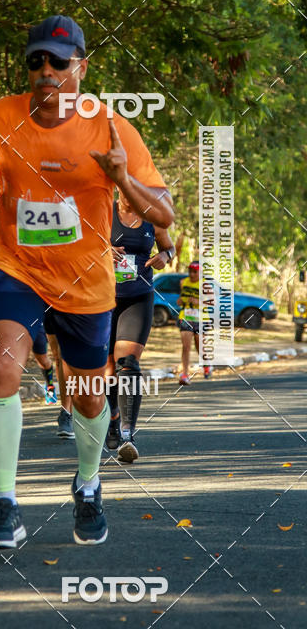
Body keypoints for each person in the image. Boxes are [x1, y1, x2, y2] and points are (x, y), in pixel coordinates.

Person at [0, 14, 174, 550]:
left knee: (89, 398)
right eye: (35, 61)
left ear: (80, 68)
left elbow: (165, 213)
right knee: (3, 364)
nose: (44, 71)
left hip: (85, 280)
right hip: (16, 267)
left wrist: (123, 180)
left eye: (57, 62)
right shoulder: (1, 116)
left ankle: (88, 484)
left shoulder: (111, 127)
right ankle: (4, 505)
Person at [105, 196, 176, 463]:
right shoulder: (102, 210)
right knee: (106, 369)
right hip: (102, 297)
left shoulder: (152, 218)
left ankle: (127, 435)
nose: (128, 194)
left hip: (138, 297)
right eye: (123, 188)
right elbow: (81, 245)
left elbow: (169, 248)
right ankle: (112, 418)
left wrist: (164, 256)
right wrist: (102, 250)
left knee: (128, 364)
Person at [177, 260, 212, 385]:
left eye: (195, 272)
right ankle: (185, 374)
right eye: (190, 271)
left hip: (201, 319)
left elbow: (213, 302)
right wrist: (180, 301)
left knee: (199, 346)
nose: (192, 274)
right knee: (186, 346)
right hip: (186, 316)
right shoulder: (183, 282)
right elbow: (180, 299)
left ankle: (206, 364)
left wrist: (200, 302)